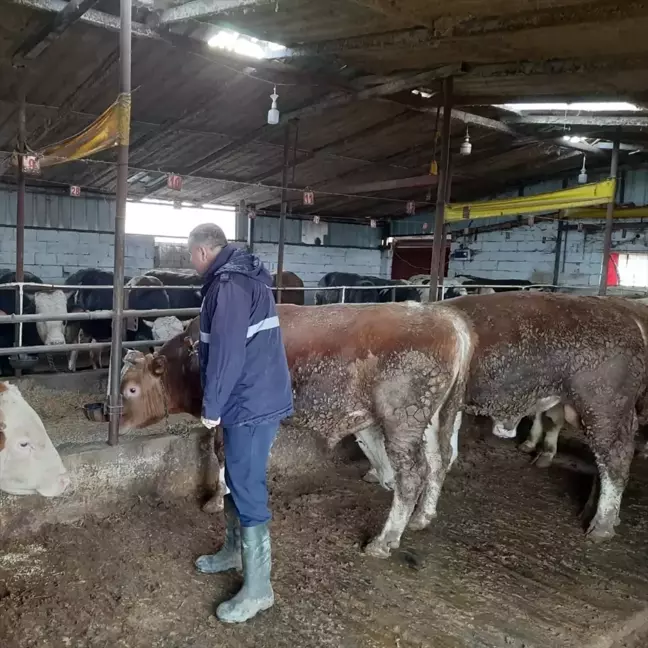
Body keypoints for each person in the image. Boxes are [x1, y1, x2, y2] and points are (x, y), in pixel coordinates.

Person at [188, 223, 293, 623]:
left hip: (248, 402)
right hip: (253, 395)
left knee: (247, 484)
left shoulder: (228, 286)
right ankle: (234, 552)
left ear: (201, 252)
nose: (191, 261)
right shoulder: (244, 277)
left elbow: (228, 353)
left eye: (190, 255)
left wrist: (212, 405)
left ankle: (259, 588)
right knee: (236, 477)